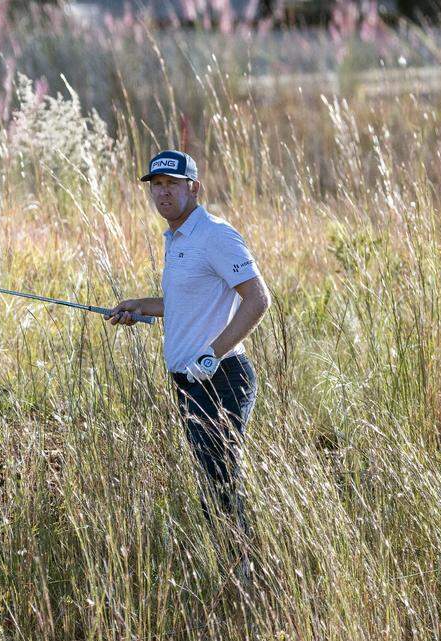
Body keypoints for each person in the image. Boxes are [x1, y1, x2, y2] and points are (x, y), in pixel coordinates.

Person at [108, 150, 271, 583]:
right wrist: (140, 307)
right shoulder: (177, 238)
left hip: (221, 379)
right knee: (213, 481)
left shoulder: (214, 235)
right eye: (156, 186)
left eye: (172, 185)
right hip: (187, 382)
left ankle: (246, 575)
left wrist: (212, 352)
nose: (162, 193)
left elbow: (258, 299)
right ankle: (237, 571)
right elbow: (188, 303)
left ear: (193, 188)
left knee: (219, 481)